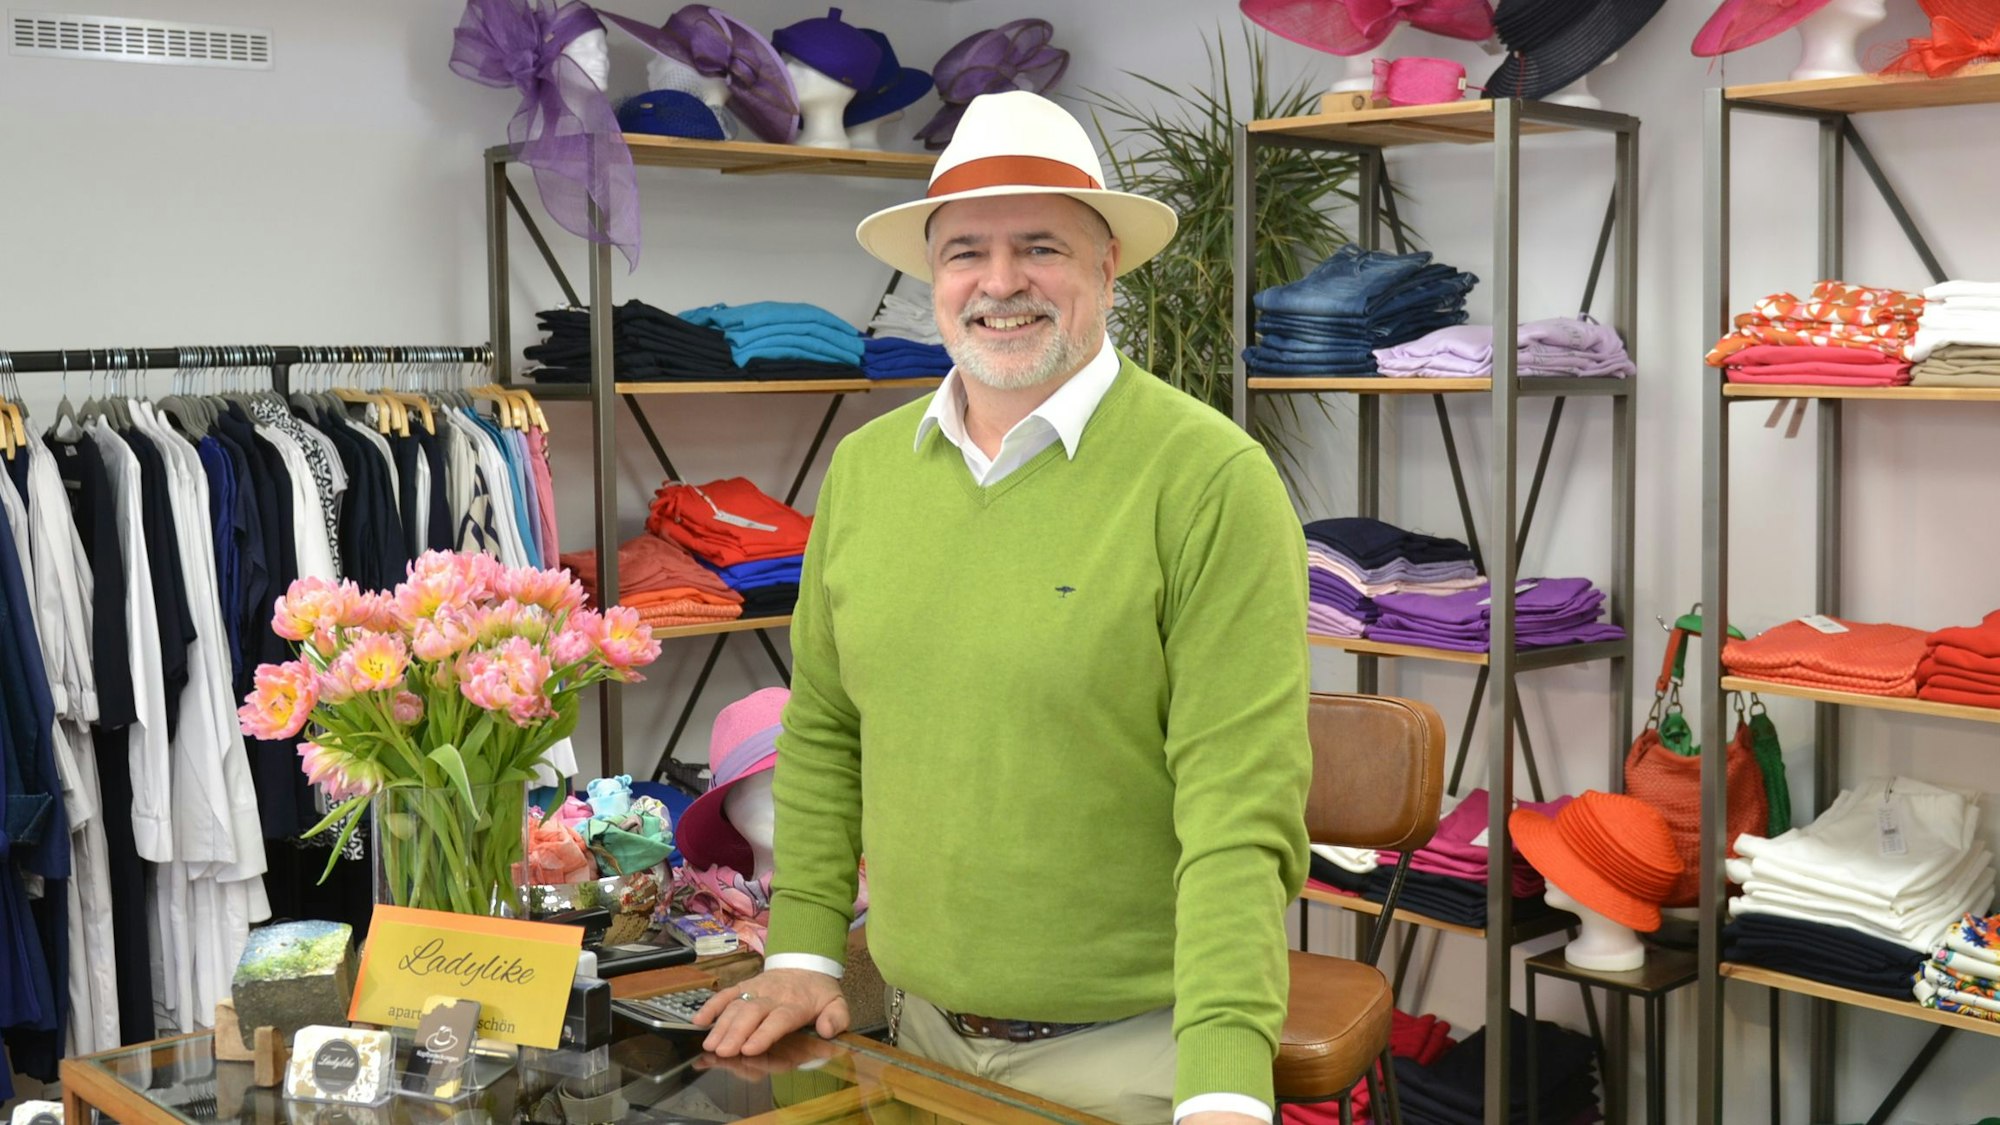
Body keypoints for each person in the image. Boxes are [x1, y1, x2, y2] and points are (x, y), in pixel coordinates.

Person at [693, 89, 1311, 1125]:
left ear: (1108, 267)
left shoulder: (1206, 478)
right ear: (932, 277)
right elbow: (827, 729)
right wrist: (801, 953)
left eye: (1041, 246)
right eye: (965, 252)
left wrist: (1221, 1087)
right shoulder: (865, 471)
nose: (1000, 282)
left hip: (1128, 1062)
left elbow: (1237, 810)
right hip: (909, 1041)